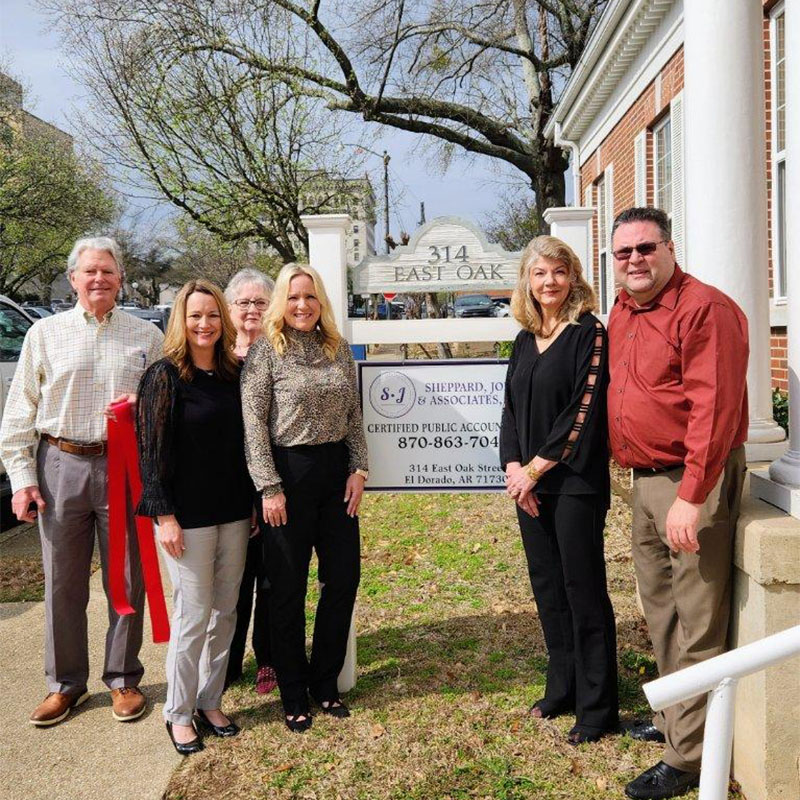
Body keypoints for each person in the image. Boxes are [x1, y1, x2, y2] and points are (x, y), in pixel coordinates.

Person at [607, 207, 749, 800]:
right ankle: (676, 720)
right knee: (660, 611)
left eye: (646, 248)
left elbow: (713, 411)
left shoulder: (703, 308)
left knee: (696, 616)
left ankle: (689, 757)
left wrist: (691, 496)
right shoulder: (623, 310)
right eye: (624, 253)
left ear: (669, 248)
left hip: (693, 479)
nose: (635, 260)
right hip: (644, 481)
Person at [0, 236, 163, 726]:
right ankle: (65, 684)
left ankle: (123, 678)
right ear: (73, 279)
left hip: (123, 467)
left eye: (107, 272)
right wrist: (24, 478)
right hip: (61, 464)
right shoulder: (44, 334)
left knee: (127, 577)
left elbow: (161, 409)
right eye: (89, 271)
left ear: (120, 279)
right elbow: (19, 411)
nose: (99, 280)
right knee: (63, 582)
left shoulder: (145, 337)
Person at [500, 235, 619, 746]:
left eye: (558, 272)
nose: (549, 282)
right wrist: (512, 469)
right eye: (539, 273)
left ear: (573, 277)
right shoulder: (526, 337)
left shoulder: (589, 332)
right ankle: (562, 686)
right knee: (548, 588)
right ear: (527, 280)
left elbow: (583, 412)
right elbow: (509, 408)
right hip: (528, 484)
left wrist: (535, 471)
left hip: (573, 485)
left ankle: (598, 707)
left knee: (582, 589)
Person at [241, 263, 368, 733]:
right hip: (286, 478)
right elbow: (253, 423)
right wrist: (268, 487)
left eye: (310, 297)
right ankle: (293, 690)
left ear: (321, 302)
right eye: (293, 297)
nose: (302, 305)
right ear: (281, 301)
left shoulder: (337, 350)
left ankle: (324, 682)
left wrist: (359, 468)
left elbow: (354, 415)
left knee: (343, 579)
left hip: (336, 476)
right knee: (287, 589)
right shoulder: (265, 353)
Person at [135, 279, 254, 755]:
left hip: (233, 513)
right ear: (180, 322)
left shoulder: (234, 373)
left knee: (226, 613)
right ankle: (178, 712)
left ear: (223, 321)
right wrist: (163, 515)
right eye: (195, 316)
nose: (204, 324)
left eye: (212, 315)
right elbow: (151, 453)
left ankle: (210, 699)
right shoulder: (164, 376)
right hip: (187, 519)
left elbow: (246, 447)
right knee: (192, 616)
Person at [223, 268, 278, 694]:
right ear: (229, 308)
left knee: (272, 575)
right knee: (232, 579)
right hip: (226, 486)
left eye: (261, 302)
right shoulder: (217, 355)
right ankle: (228, 659)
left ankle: (269, 657)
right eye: (243, 302)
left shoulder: (281, 351)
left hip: (276, 483)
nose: (252, 310)